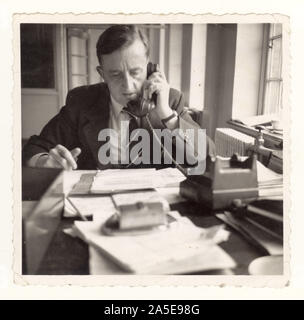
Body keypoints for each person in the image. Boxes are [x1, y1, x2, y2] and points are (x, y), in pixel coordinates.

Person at [23, 24, 213, 171]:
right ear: (102, 73)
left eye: (135, 72)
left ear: (149, 68)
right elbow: (34, 148)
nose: (128, 85)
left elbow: (208, 156)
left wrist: (166, 115)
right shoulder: (81, 101)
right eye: (115, 75)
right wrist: (45, 161)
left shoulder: (170, 100)